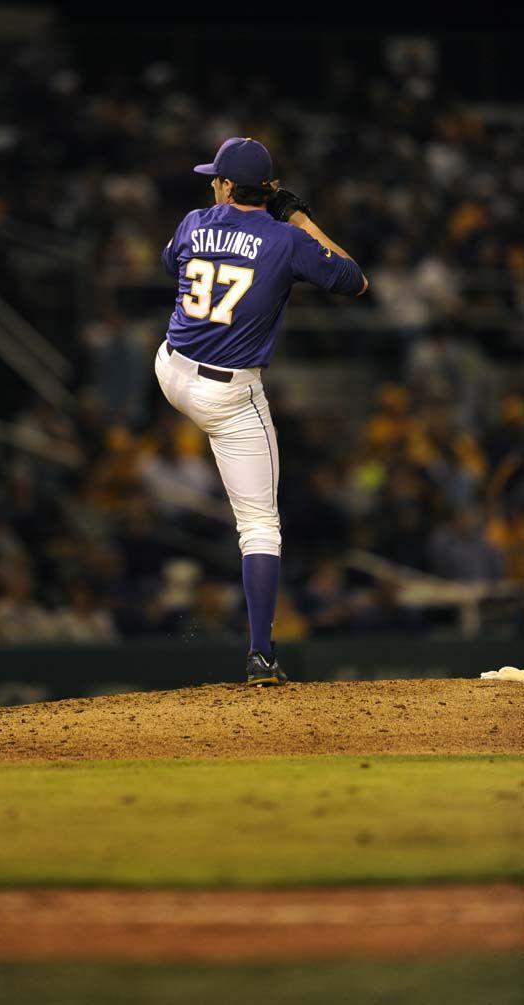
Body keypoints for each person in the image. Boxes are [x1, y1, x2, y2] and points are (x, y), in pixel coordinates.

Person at [155, 137, 368, 686]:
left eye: (216, 177)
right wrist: (298, 218)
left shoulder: (192, 220)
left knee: (191, 373)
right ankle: (259, 656)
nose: (211, 184)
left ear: (228, 185)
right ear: (267, 189)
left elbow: (171, 263)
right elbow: (354, 279)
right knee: (259, 526)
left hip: (172, 371)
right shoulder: (285, 238)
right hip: (227, 399)